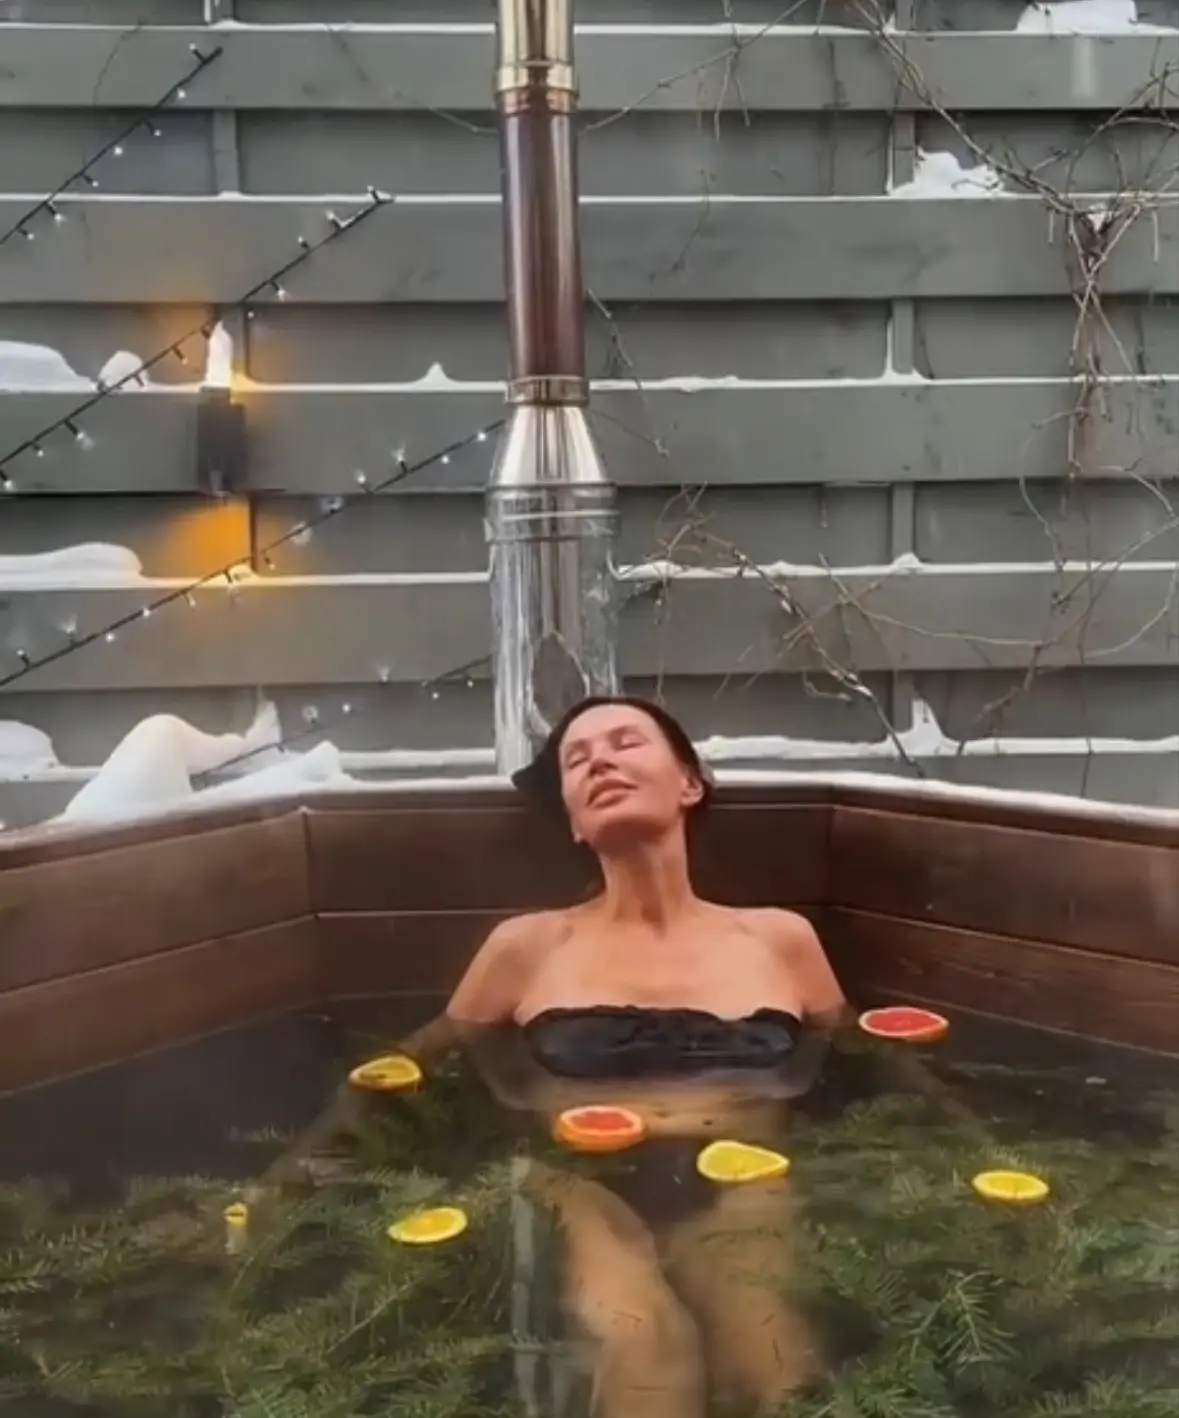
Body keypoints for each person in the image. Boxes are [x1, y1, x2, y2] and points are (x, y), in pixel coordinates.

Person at [443, 696, 848, 1417]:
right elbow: (416, 1073)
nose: (600, 761)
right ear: (573, 821)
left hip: (744, 1179)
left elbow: (861, 1065)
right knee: (645, 1347)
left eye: (626, 743)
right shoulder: (527, 946)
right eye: (577, 760)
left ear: (689, 783)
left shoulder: (779, 940)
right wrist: (285, 1181)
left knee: (777, 1365)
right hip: (579, 1184)